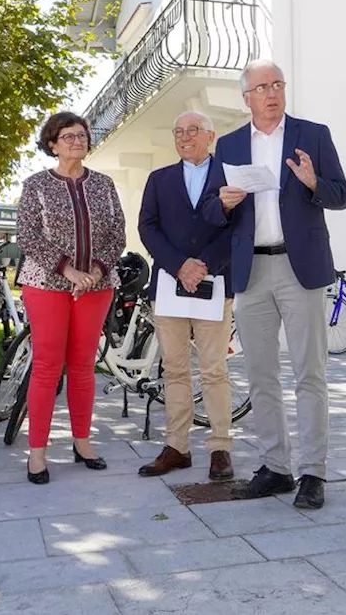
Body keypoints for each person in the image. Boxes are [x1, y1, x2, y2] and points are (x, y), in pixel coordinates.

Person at [201, 59, 346, 509]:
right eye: (262, 87)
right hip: (251, 270)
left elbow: (341, 194)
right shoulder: (228, 145)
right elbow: (211, 211)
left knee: (310, 374)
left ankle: (313, 473)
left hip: (299, 266)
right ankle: (275, 467)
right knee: (260, 373)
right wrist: (224, 204)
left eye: (277, 84)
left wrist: (313, 183)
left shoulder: (313, 135)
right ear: (245, 97)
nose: (271, 93)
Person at [15, 112, 126, 485]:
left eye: (82, 135)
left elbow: (116, 234)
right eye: (68, 136)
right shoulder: (35, 186)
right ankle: (37, 452)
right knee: (47, 365)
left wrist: (94, 271)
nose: (77, 141)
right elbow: (28, 236)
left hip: (96, 285)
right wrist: (68, 270)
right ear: (52, 144)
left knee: (82, 365)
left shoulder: (104, 185)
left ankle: (82, 441)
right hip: (46, 284)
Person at [136, 110, 235, 481]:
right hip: (169, 287)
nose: (184, 136)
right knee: (175, 369)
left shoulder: (229, 175)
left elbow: (240, 226)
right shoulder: (159, 179)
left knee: (214, 370)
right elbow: (147, 227)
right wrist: (179, 265)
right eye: (178, 131)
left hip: (216, 282)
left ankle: (220, 448)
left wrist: (203, 264)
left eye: (192, 130)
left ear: (210, 136)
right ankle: (177, 447)